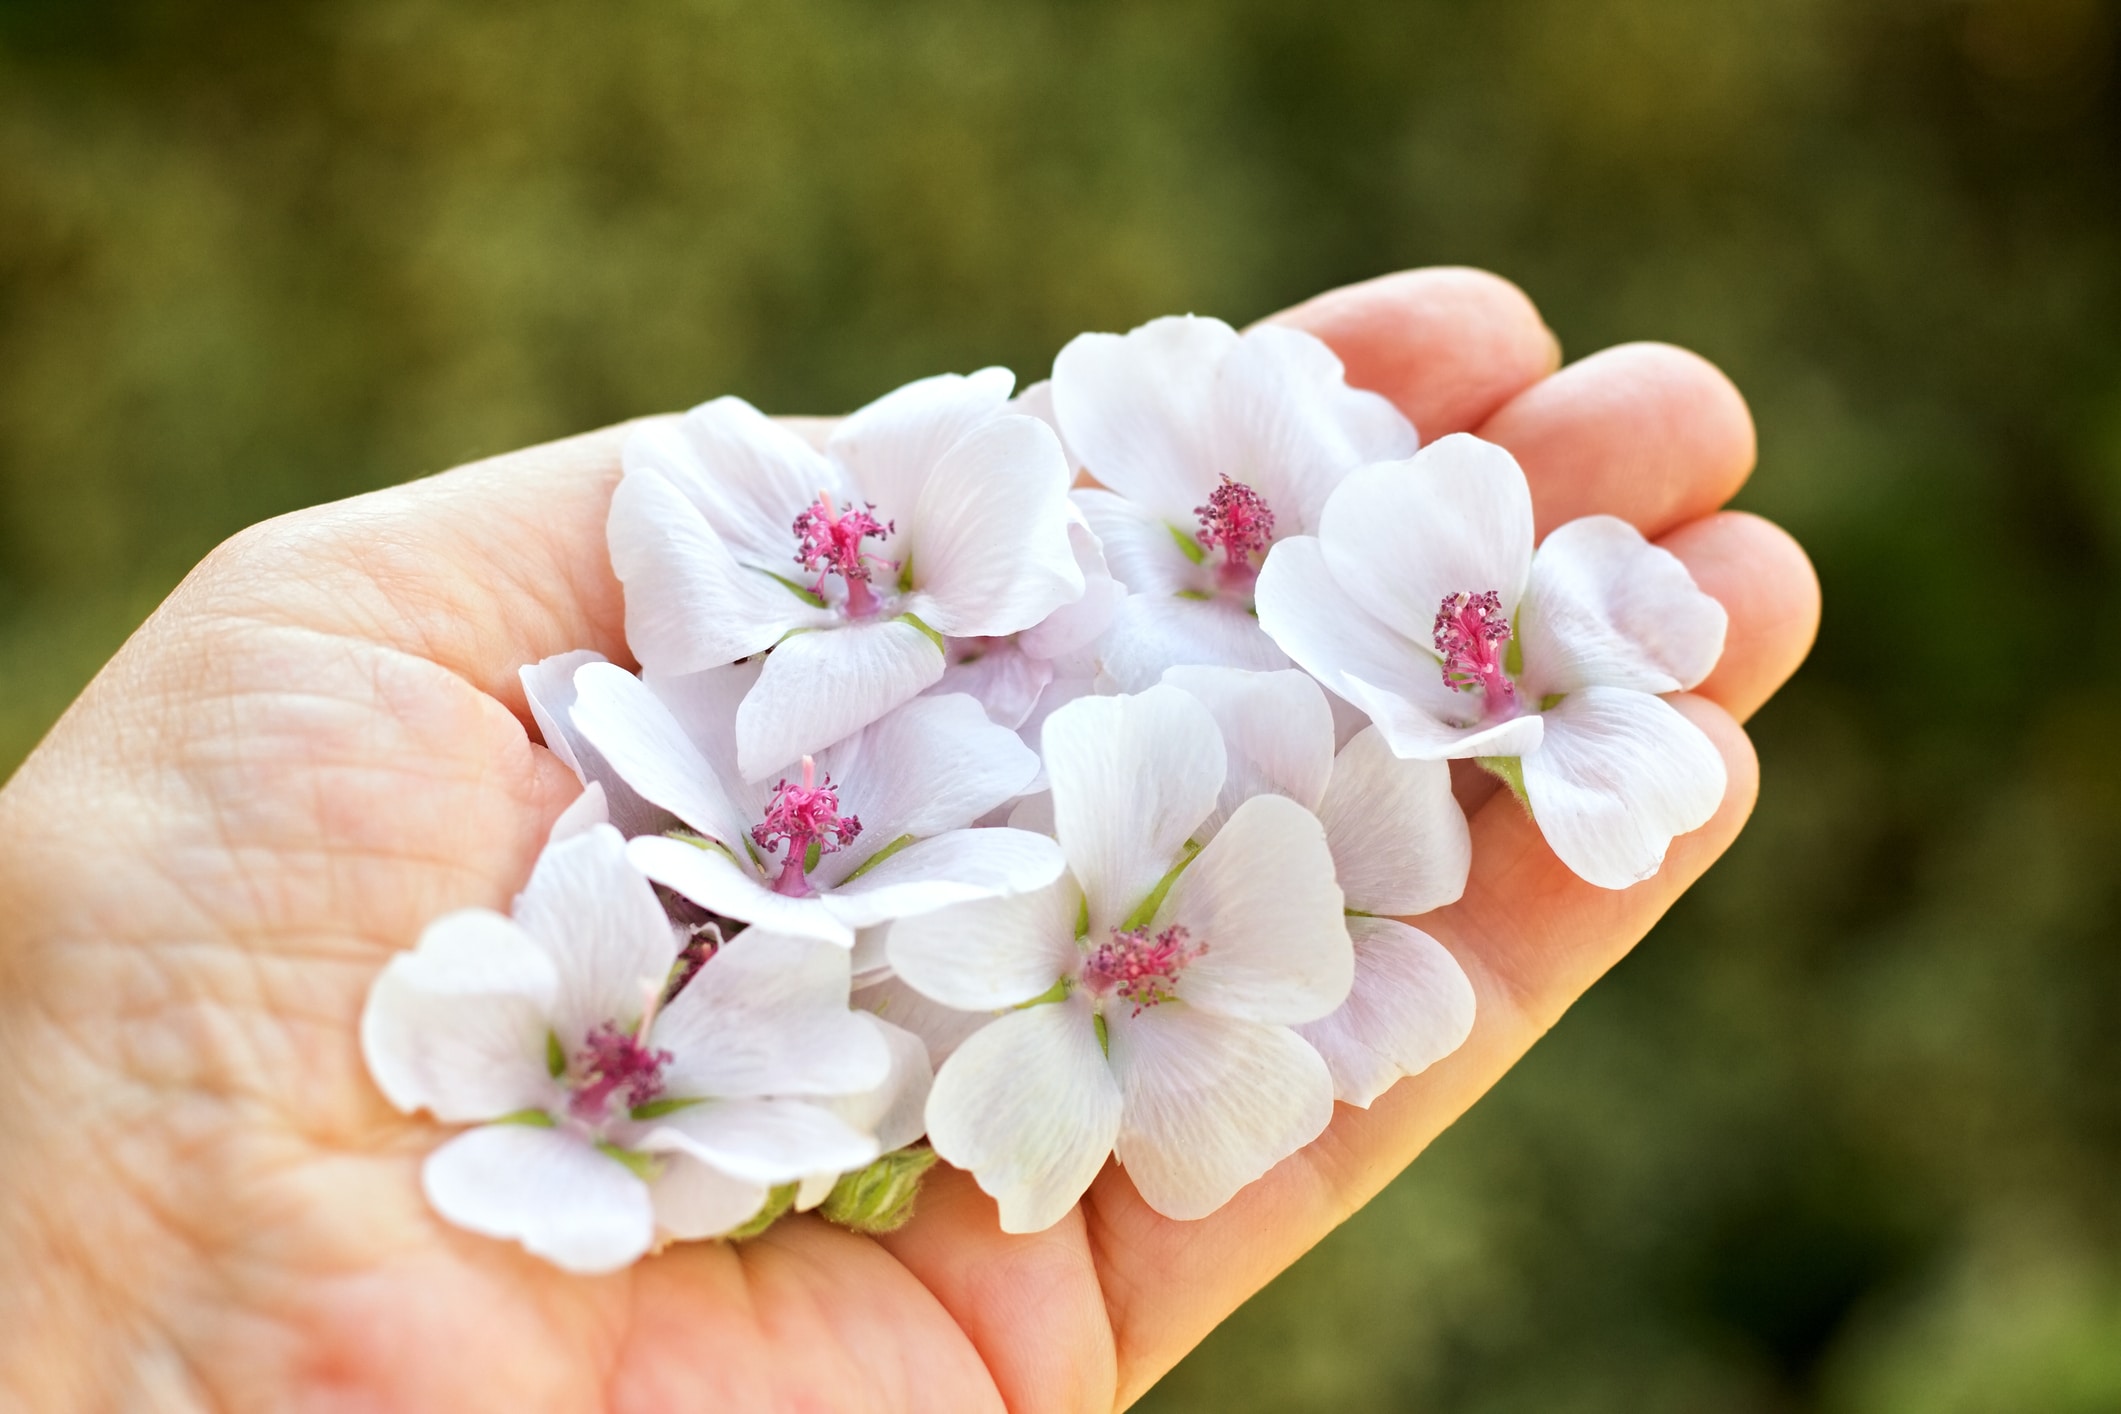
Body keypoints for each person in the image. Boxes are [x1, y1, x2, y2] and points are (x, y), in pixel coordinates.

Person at [0, 268, 1818, 1410]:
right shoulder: (860, 729)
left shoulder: (1159, 708)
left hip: (971, 915)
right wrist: (120, 1237)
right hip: (841, 923)